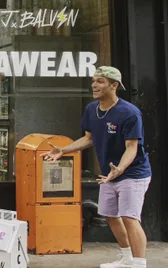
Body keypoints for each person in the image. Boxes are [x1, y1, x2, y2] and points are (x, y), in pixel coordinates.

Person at [41, 66, 151, 268]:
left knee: (129, 217)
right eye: (94, 80)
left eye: (100, 81)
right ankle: (127, 258)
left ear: (114, 85)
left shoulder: (129, 113)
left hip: (133, 173)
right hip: (108, 174)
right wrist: (63, 150)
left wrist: (120, 169)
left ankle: (139, 263)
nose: (94, 84)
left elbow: (132, 147)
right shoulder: (92, 109)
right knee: (109, 214)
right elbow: (88, 138)